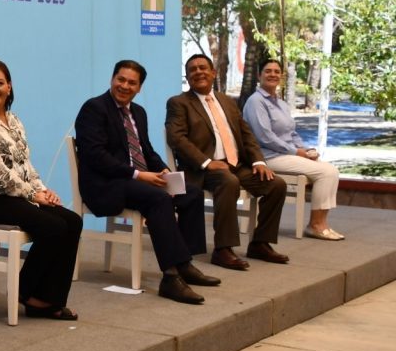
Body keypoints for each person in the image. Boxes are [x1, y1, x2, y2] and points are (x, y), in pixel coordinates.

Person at [75, 60, 216, 305]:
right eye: (121, 79)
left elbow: (147, 151)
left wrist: (163, 170)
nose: (125, 86)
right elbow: (95, 155)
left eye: (132, 83)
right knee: (158, 198)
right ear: (112, 79)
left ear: (139, 88)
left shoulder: (138, 112)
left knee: (191, 192)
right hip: (104, 185)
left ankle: (185, 264)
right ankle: (170, 277)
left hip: (136, 182)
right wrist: (138, 175)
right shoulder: (94, 108)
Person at [0, 58, 82, 320]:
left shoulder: (14, 121)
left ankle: (46, 300)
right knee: (53, 226)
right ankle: (24, 292)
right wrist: (33, 195)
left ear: (9, 87)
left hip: (9, 196)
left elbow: (25, 166)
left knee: (72, 221)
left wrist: (43, 190)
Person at [166, 54, 289, 270]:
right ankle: (223, 249)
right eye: (193, 69)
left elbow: (246, 134)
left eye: (203, 68)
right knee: (228, 181)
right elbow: (176, 138)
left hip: (236, 165)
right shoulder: (179, 103)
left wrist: (259, 162)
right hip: (203, 170)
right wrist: (206, 162)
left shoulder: (227, 101)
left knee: (276, 185)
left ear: (213, 73)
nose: (198, 72)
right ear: (187, 76)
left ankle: (260, 244)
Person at [242, 58, 344, 240]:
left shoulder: (281, 103)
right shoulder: (255, 101)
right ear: (259, 75)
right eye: (268, 71)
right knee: (326, 172)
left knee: (330, 170)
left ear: (281, 76)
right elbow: (265, 137)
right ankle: (316, 226)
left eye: (276, 71)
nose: (273, 74)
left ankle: (320, 223)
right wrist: (297, 152)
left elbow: (292, 133)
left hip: (285, 154)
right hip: (268, 157)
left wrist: (306, 150)